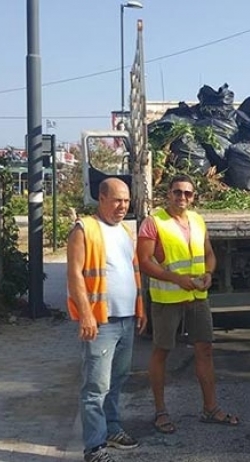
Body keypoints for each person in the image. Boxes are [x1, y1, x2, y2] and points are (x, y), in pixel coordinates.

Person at [137, 174, 239, 434]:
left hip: (197, 297)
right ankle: (161, 412)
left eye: (188, 193)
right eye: (177, 192)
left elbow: (209, 254)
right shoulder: (153, 222)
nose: (182, 197)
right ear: (168, 194)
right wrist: (175, 279)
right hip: (167, 299)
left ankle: (210, 408)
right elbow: (145, 261)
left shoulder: (197, 220)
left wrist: (208, 274)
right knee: (162, 352)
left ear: (194, 197)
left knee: (204, 349)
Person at [67, 178, 147, 462]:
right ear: (101, 198)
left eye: (126, 201)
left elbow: (131, 272)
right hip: (101, 322)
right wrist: (86, 313)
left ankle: (112, 429)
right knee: (95, 387)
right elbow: (75, 274)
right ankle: (94, 447)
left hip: (126, 319)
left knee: (117, 380)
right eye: (116, 200)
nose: (122, 206)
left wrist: (140, 309)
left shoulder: (125, 231)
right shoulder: (84, 229)